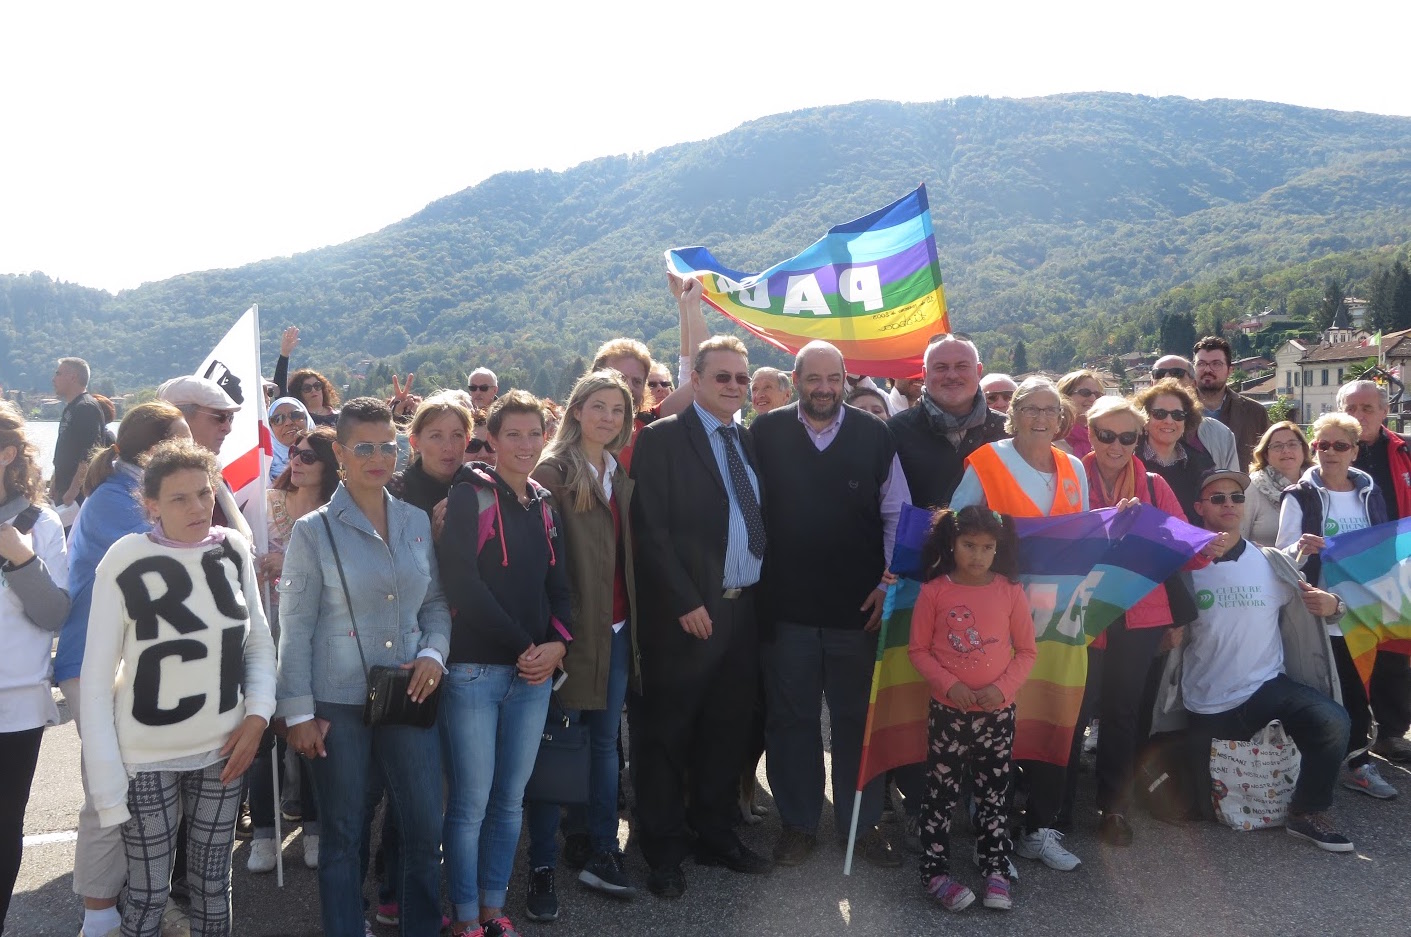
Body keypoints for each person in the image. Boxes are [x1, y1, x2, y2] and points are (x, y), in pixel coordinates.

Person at [79, 441, 275, 937]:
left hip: (223, 751)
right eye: (179, 498)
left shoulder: (232, 548)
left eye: (204, 493)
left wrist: (258, 717)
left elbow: (258, 641)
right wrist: (107, 787)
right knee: (147, 894)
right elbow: (97, 679)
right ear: (151, 505)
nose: (196, 507)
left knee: (213, 886)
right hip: (145, 758)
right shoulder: (124, 559)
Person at [276, 397, 450, 937]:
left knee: (424, 828)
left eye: (388, 446)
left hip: (407, 693)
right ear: (340, 452)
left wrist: (433, 653)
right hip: (339, 700)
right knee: (345, 832)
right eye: (365, 447)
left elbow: (435, 605)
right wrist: (298, 712)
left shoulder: (416, 520)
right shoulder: (313, 530)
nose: (379, 458)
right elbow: (296, 626)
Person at [751, 341, 909, 869]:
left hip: (858, 609)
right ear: (794, 378)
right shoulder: (765, 432)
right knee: (791, 720)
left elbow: (897, 515)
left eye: (833, 378)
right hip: (786, 608)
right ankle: (797, 824)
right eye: (813, 378)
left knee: (856, 722)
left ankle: (860, 826)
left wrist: (890, 582)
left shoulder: (874, 434)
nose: (823, 388)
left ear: (846, 380)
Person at [630, 336, 771, 898]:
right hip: (687, 615)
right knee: (666, 735)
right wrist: (685, 600)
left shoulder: (747, 439)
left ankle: (716, 834)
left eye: (742, 378)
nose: (735, 386)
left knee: (725, 730)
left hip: (742, 611)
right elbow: (650, 529)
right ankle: (663, 850)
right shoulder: (664, 439)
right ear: (698, 381)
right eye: (723, 377)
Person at [1155, 468, 1355, 851]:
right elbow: (1159, 633)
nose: (1229, 504)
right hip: (1207, 703)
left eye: (1237, 497)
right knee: (1197, 809)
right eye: (1218, 498)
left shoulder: (1271, 561)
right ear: (1199, 508)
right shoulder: (1183, 568)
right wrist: (1165, 639)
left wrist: (1334, 605)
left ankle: (1307, 811)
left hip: (1267, 688)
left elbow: (1321, 606)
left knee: (1332, 720)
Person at [435, 391, 572, 937]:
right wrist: (526, 646)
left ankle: (494, 910)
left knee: (509, 802)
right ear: (491, 441)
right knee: (469, 803)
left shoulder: (543, 502)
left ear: (545, 437)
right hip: (475, 671)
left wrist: (559, 643)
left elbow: (559, 588)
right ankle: (463, 916)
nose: (523, 444)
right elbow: (463, 583)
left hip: (534, 674)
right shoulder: (470, 495)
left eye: (533, 434)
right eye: (511, 434)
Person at [51, 401, 190, 937]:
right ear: (154, 449)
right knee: (108, 785)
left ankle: (132, 904)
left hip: (131, 659)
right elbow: (168, 563)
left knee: (142, 785)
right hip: (97, 660)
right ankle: (100, 915)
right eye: (181, 437)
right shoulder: (119, 499)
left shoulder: (127, 491)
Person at [950, 376, 1087, 871]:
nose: (1041, 418)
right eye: (1031, 408)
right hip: (998, 621)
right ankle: (994, 838)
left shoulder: (1073, 467)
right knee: (997, 730)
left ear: (1061, 419)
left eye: (1051, 410)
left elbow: (1085, 538)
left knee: (1052, 721)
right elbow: (956, 527)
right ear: (1014, 414)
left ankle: (1038, 830)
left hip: (1060, 623)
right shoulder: (987, 461)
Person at [1077, 395, 1227, 846]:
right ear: (1090, 433)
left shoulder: (1155, 487)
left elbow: (1186, 548)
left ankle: (1112, 808)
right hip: (1081, 614)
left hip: (1140, 616)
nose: (1116, 445)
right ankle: (1053, 809)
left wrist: (1208, 545)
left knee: (1123, 713)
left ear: (1138, 438)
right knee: (1074, 710)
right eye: (1106, 435)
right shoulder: (1067, 479)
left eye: (1127, 436)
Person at [524, 371, 639, 921]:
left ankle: (602, 851)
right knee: (556, 747)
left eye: (618, 409)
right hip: (568, 638)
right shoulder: (554, 473)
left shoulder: (619, 472)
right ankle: (542, 865)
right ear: (575, 411)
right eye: (598, 407)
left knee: (602, 746)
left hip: (616, 632)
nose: (608, 418)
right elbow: (542, 565)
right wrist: (556, 636)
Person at [908, 507, 1035, 912]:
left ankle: (995, 869)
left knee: (995, 794)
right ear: (952, 543)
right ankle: (934, 873)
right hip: (949, 715)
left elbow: (1028, 651)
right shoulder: (934, 592)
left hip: (998, 715)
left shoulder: (1011, 590)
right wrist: (950, 685)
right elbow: (919, 651)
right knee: (940, 793)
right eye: (969, 546)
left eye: (987, 547)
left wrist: (1002, 688)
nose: (978, 555)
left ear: (998, 548)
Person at [1275, 413, 1397, 800]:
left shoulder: (1371, 493)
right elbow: (1282, 559)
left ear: (1354, 451)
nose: (1329, 452)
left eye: (1339, 445)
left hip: (1361, 611)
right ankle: (1310, 770)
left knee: (1359, 692)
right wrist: (1301, 550)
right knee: (1321, 692)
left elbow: (1383, 551)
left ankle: (1359, 764)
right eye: (1321, 445)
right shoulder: (1298, 496)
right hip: (1315, 612)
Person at [245, 427, 339, 875]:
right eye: (293, 453)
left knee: (314, 733)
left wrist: (294, 563)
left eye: (307, 455)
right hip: (266, 632)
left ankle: (316, 829)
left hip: (318, 637)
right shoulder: (266, 507)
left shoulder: (338, 513)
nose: (295, 461)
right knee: (265, 734)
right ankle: (264, 834)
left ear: (329, 465)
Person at [0, 404, 70, 936]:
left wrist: (20, 559)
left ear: (6, 455)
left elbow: (54, 614)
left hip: (15, 703)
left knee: (3, 831)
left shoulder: (39, 524)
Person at [1340, 379, 1411, 763]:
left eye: (1368, 408)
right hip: (1344, 568)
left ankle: (1391, 732)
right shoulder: (1330, 448)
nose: (1359, 415)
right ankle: (1352, 732)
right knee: (1346, 649)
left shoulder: (1405, 450)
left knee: (1393, 653)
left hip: (1396, 566)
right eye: (1351, 408)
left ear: (1385, 412)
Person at [889, 335, 1009, 511]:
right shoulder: (895, 432)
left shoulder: (1007, 431)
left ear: (978, 371)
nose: (952, 375)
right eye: (941, 367)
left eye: (962, 366)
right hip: (920, 538)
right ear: (925, 374)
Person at [157, 376, 252, 542]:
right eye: (219, 417)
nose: (227, 428)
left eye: (230, 417)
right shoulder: (147, 482)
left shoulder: (216, 475)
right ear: (180, 418)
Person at [1133, 378, 1214, 523]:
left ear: (1185, 422)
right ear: (1144, 419)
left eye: (1177, 415)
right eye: (1159, 414)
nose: (1169, 421)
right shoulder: (1129, 461)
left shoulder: (1203, 466)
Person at [388, 392, 474, 530]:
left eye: (457, 435)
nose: (448, 447)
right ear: (415, 442)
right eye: (436, 436)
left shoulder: (478, 487)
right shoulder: (395, 491)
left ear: (467, 440)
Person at [1192, 336, 1269, 471]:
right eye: (1201, 363)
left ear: (1230, 370)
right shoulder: (1179, 411)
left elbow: (1268, 459)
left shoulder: (1255, 413)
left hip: (1241, 490)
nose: (1207, 370)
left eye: (1216, 364)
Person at [1149, 356, 1239, 472]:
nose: (1167, 378)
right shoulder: (1133, 431)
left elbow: (1231, 485)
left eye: (1177, 373)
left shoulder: (1220, 434)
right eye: (1159, 374)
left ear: (1193, 384)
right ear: (1151, 384)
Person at [50, 356, 105, 521]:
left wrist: (73, 490)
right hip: (64, 489)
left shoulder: (86, 408)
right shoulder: (72, 408)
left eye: (58, 374)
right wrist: (54, 483)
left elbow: (89, 454)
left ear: (73, 377)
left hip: (75, 496)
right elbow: (65, 449)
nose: (53, 379)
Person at [1242, 422, 1312, 547]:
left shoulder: (1316, 485)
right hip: (1265, 564)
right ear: (1266, 455)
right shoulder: (1251, 489)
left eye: (1292, 444)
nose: (1286, 450)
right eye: (1277, 446)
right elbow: (1239, 539)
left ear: (1304, 450)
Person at [1055, 369, 1105, 457]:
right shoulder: (1052, 438)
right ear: (1064, 396)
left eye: (1097, 395)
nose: (1093, 399)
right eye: (1085, 393)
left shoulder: (1107, 438)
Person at [266, 396, 311, 482]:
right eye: (278, 419)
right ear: (270, 428)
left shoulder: (325, 454)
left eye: (296, 415)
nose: (288, 422)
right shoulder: (262, 465)